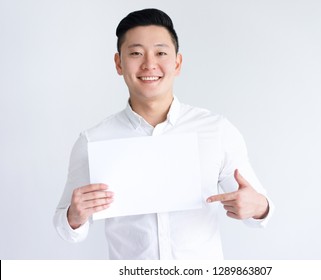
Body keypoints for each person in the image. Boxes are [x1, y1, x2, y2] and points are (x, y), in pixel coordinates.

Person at [53, 8, 273, 260]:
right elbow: (66, 228)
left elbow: (262, 210)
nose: (149, 64)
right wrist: (74, 216)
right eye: (135, 53)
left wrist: (259, 207)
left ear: (177, 63)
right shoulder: (93, 141)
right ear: (118, 63)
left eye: (160, 53)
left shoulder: (216, 130)